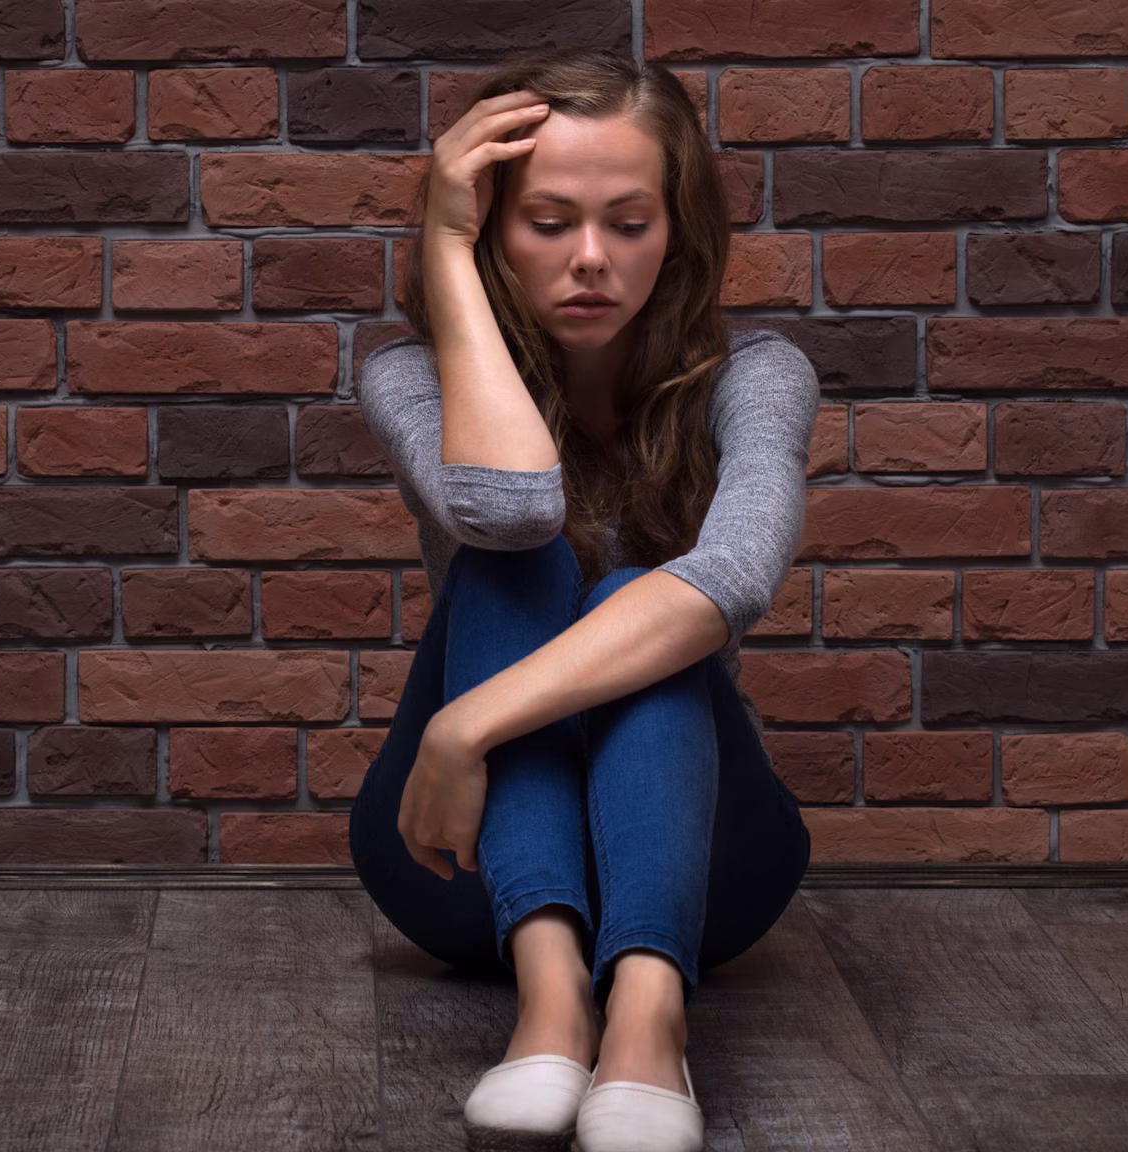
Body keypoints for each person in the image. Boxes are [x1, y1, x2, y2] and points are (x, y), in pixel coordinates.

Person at [346, 44, 817, 1152]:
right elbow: (508, 509)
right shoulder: (409, 378)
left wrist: (468, 722)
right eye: (546, 222)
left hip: (705, 874)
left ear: (679, 234)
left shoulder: (758, 377)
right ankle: (551, 1004)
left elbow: (733, 580)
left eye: (629, 222)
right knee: (519, 556)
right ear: (493, 227)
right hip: (456, 862)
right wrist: (442, 246)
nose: (591, 259)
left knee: (650, 594)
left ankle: (647, 1017)